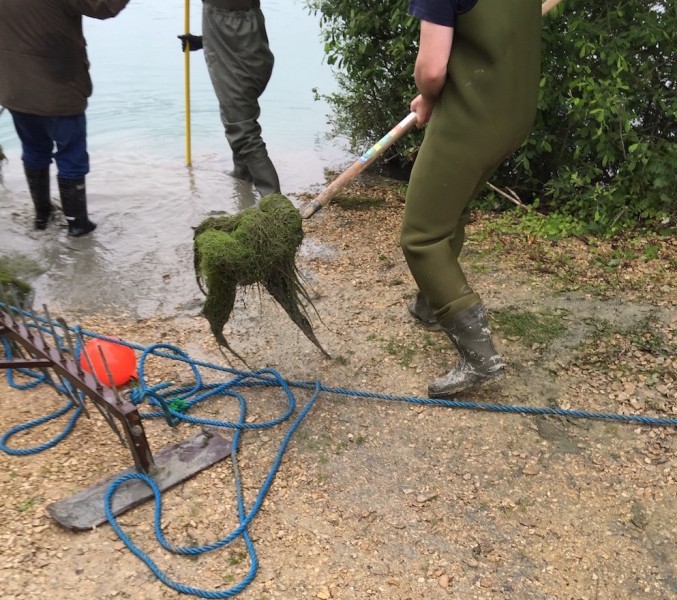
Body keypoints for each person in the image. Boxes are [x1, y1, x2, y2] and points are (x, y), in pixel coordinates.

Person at [401, 0, 542, 397]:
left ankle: (480, 359)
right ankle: (432, 301)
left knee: (422, 237)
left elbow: (431, 70)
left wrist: (428, 96)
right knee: (451, 207)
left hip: (472, 118)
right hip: (513, 117)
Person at [0, 0, 130, 237]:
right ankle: (77, 224)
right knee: (71, 155)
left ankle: (42, 216)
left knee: (33, 149)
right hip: (57, 85)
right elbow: (103, 7)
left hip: (14, 86)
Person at [179, 0, 281, 199]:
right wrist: (205, 40)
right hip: (250, 54)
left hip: (239, 61)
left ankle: (274, 203)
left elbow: (230, 20)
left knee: (242, 130)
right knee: (236, 118)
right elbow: (236, 26)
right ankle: (243, 179)